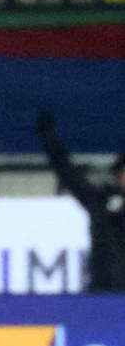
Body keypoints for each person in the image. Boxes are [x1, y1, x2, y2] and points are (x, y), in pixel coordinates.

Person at [37, 112, 125, 291]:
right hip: (104, 289)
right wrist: (49, 138)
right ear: (118, 175)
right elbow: (69, 174)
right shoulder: (101, 199)